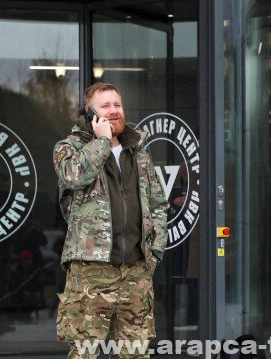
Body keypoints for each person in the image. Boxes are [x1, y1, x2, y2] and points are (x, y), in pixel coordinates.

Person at [53, 82, 169, 358]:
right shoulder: (68, 148)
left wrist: (154, 251)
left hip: (135, 270)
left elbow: (158, 203)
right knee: (85, 352)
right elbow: (73, 176)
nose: (114, 111)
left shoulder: (137, 151)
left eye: (117, 104)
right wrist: (102, 141)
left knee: (134, 352)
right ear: (89, 110)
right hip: (91, 270)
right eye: (105, 106)